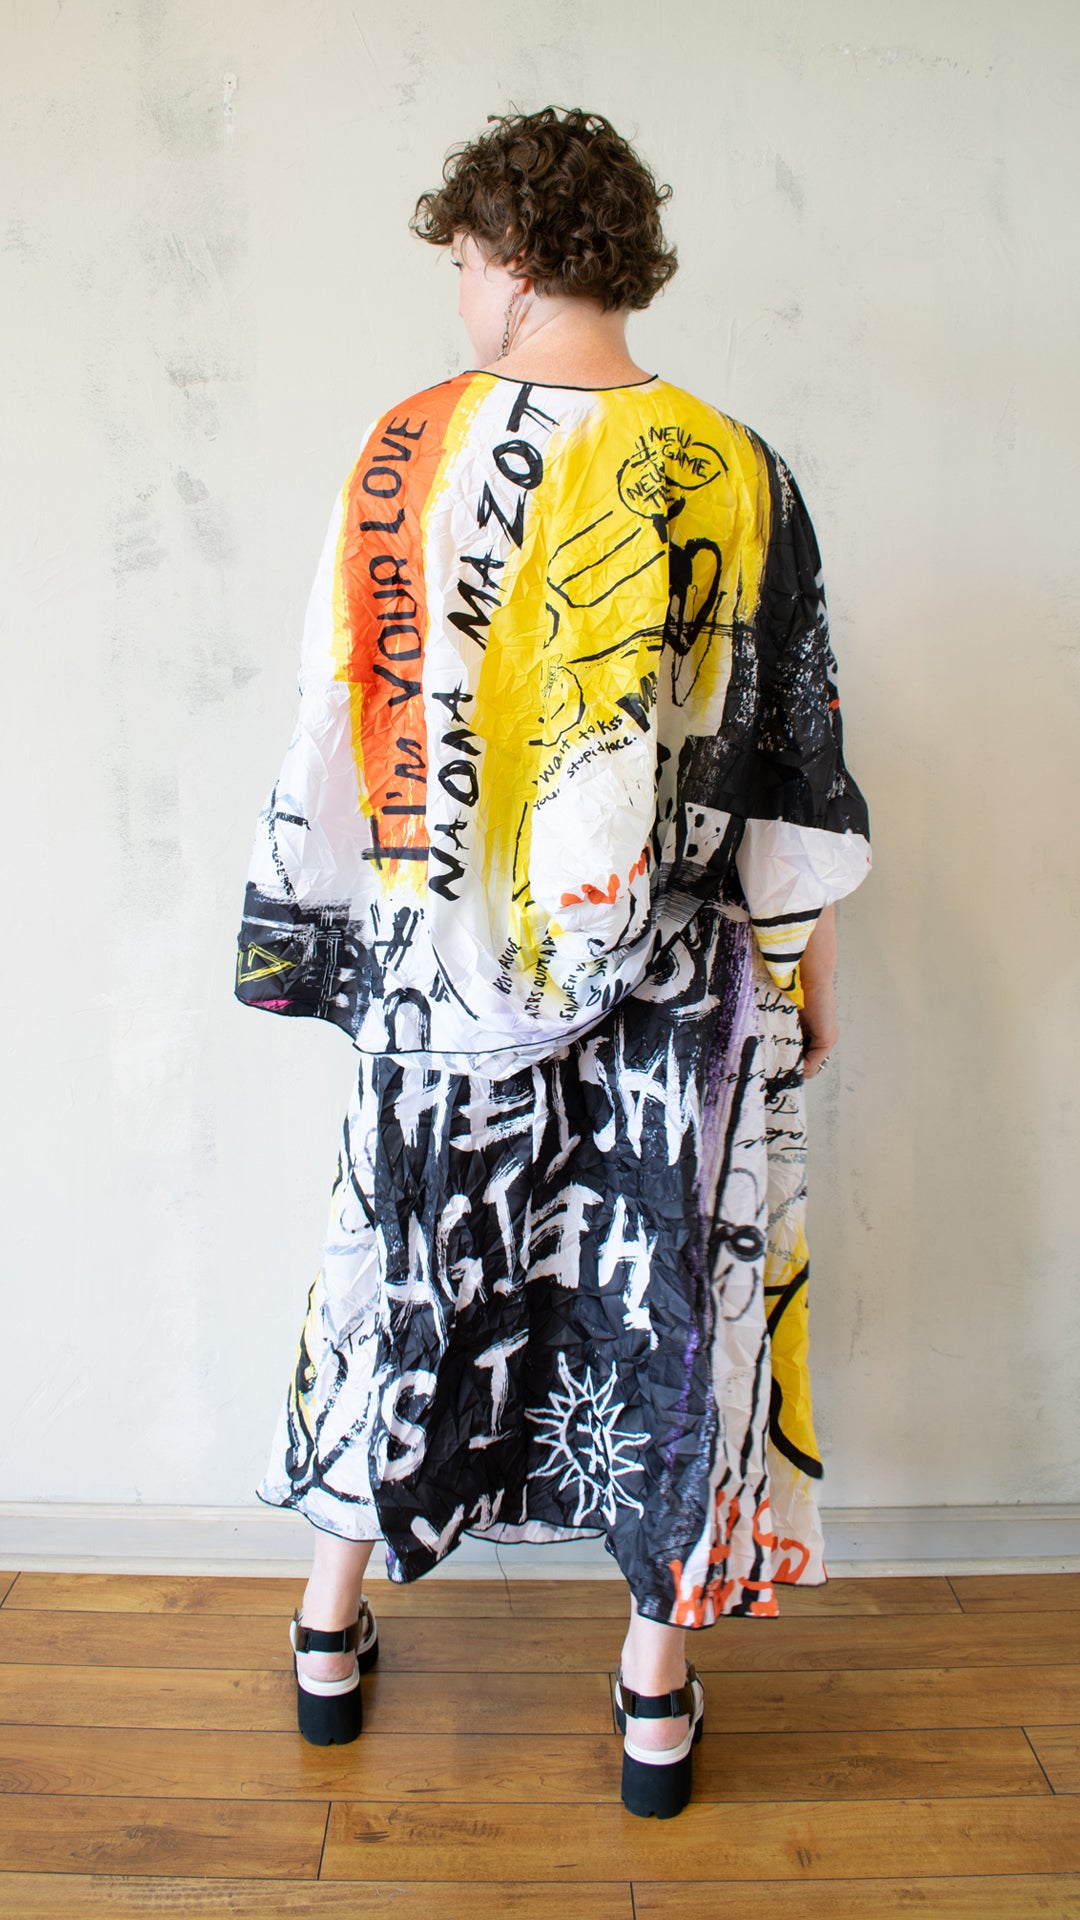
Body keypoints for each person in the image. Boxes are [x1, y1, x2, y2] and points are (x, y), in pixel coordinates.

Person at [234, 106, 870, 1819]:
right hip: (674, 991)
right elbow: (786, 760)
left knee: (401, 1282)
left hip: (440, 985)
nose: (460, 294)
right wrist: (802, 959)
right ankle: (654, 1700)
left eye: (462, 261)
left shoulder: (405, 454)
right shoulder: (736, 469)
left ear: (509, 261)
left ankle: (326, 1635)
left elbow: (339, 718)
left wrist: (314, 947)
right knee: (669, 1311)